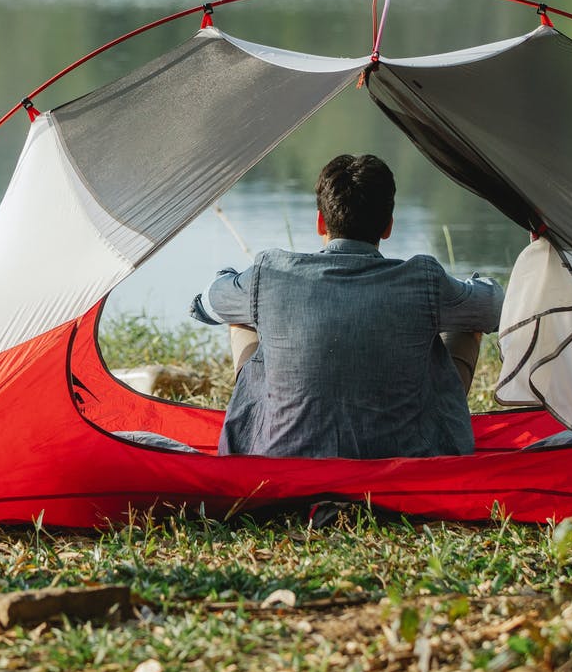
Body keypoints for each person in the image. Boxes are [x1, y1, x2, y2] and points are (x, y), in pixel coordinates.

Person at [189, 153, 503, 459]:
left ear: (320, 221)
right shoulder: (424, 280)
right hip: (408, 458)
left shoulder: (269, 273)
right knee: (467, 317)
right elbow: (496, 309)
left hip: (280, 457)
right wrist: (474, 286)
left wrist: (235, 280)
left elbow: (207, 304)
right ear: (388, 226)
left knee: (241, 317)